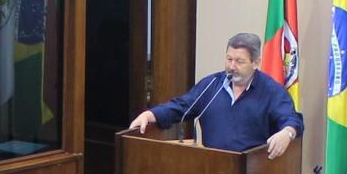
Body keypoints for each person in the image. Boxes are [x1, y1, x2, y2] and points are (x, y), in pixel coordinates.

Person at [128, 30, 302, 159]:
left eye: (239, 61)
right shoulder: (212, 85)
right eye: (229, 59)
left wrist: (287, 133)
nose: (232, 66)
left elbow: (291, 119)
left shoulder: (271, 91)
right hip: (211, 168)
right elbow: (182, 106)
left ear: (256, 63)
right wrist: (150, 114)